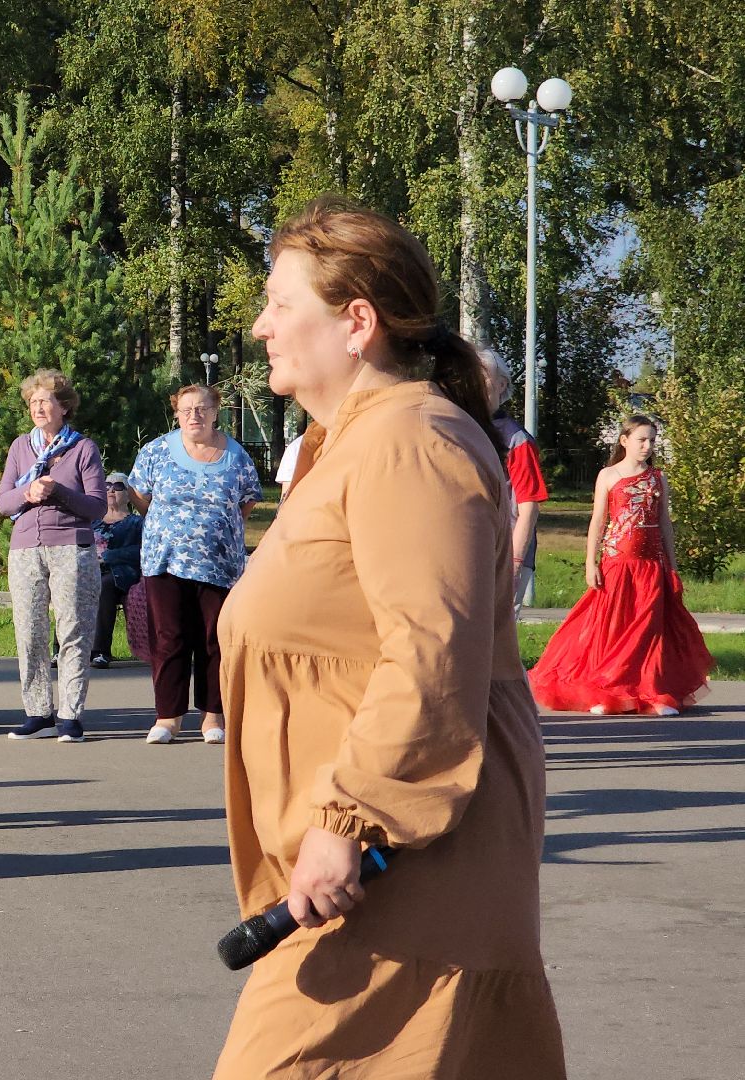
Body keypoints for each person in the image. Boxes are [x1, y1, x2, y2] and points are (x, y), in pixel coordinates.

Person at [217, 198, 563, 1076]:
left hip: (400, 857)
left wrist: (348, 819)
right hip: (370, 853)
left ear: (356, 323)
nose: (261, 326)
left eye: (279, 302)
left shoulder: (410, 441)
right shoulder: (351, 442)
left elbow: (432, 658)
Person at [527, 415, 712, 715]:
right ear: (625, 440)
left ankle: (652, 692)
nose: (647, 446)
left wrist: (672, 566)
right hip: (618, 562)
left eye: (652, 440)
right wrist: (591, 562)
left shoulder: (658, 478)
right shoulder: (608, 475)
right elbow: (598, 521)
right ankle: (606, 691)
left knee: (649, 628)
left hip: (651, 564)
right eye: (641, 439)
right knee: (614, 626)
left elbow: (664, 522)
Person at [127, 384, 260, 745]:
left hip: (219, 563)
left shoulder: (237, 456)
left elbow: (246, 503)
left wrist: (214, 528)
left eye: (201, 409)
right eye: (185, 411)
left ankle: (212, 715)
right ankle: (167, 717)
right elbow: (139, 496)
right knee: (168, 638)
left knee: (213, 639)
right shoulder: (156, 451)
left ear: (216, 412)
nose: (194, 417)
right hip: (164, 560)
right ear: (176, 414)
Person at [0, 369, 108, 743]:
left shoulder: (82, 448)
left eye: (45, 401)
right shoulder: (19, 447)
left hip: (71, 548)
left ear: (64, 407)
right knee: (29, 632)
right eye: (32, 402)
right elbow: (2, 502)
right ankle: (37, 711)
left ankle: (70, 715)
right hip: (25, 548)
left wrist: (57, 490)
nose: (38, 407)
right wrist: (28, 493)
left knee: (72, 630)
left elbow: (96, 507)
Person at [481, 351, 549, 619]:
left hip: (504, 552)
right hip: (469, 547)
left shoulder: (516, 439)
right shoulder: (456, 427)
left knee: (498, 635)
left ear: (501, 384)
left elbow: (529, 507)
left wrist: (516, 562)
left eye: (483, 375)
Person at [90, 471, 147, 668]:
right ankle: (62, 649)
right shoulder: (92, 521)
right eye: (106, 485)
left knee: (104, 586)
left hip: (122, 575)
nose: (111, 489)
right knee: (72, 586)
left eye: (119, 486)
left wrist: (110, 556)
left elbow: (143, 551)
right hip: (90, 570)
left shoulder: (137, 523)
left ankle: (99, 652)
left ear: (129, 494)